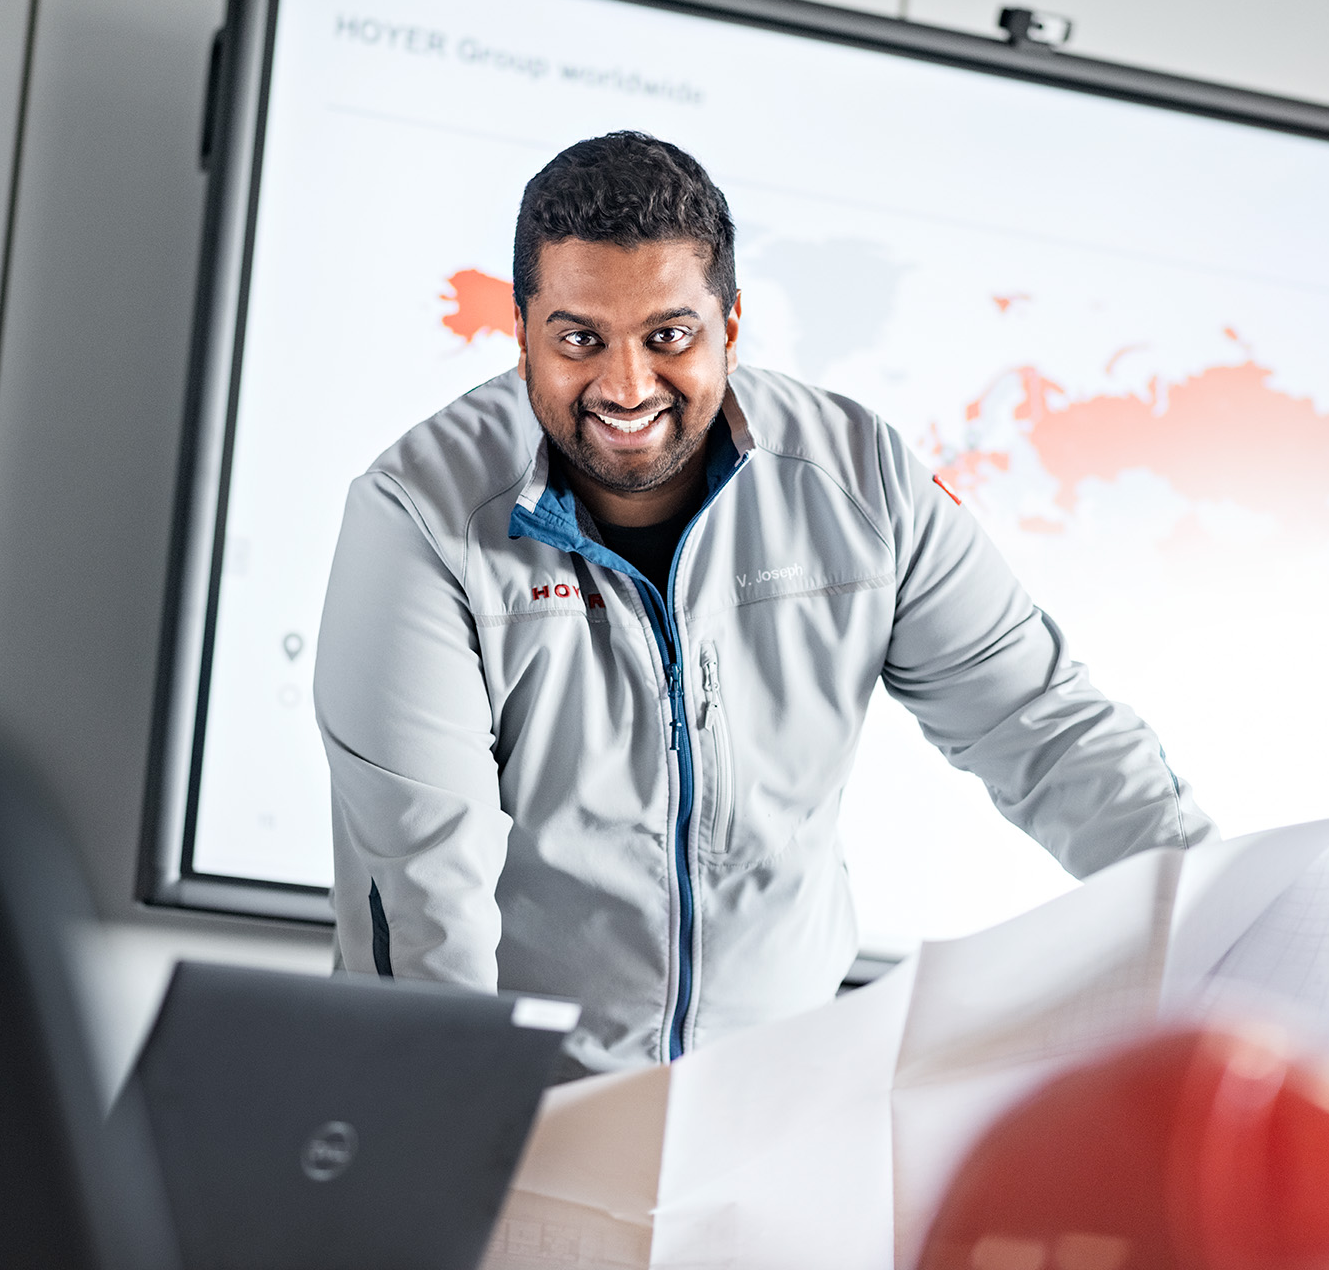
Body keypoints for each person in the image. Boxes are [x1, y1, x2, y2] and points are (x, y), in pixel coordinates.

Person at [314, 131, 1215, 1077]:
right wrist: (446, 1150)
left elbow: (1047, 734)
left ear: (730, 327)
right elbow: (424, 903)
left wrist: (1236, 937)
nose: (626, 387)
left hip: (774, 1102)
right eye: (580, 338)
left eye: (669, 336)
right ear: (525, 329)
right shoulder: (416, 517)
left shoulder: (861, 483)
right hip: (523, 1104)